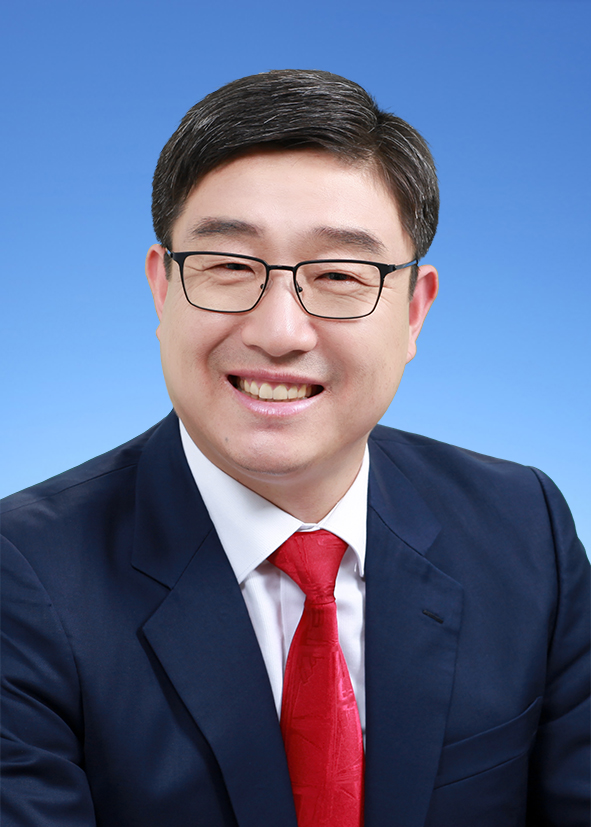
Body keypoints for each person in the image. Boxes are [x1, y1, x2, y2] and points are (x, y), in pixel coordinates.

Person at [1, 70, 589, 827]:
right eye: (229, 267)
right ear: (162, 288)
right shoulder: (24, 577)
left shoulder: (524, 527)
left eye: (339, 274)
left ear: (414, 311)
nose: (279, 332)